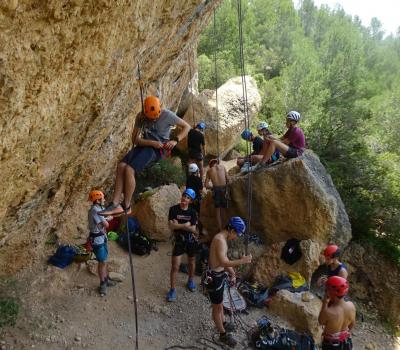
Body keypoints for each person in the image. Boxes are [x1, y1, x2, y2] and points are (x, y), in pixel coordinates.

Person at [100, 96, 191, 216]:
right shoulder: (141, 117)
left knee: (129, 169)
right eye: (151, 118)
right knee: (121, 166)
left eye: (156, 118)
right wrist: (151, 142)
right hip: (146, 145)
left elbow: (187, 127)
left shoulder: (167, 115)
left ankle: (126, 206)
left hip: (158, 150)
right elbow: (135, 139)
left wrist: (175, 140)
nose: (154, 120)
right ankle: (114, 204)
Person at [205, 217, 252, 347]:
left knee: (220, 305)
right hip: (214, 278)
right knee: (216, 307)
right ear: (231, 230)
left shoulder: (223, 239)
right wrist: (242, 261)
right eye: (236, 233)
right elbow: (224, 262)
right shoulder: (220, 240)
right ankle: (222, 334)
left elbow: (224, 260)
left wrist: (232, 273)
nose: (236, 237)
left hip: (218, 275)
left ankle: (223, 323)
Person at [166, 188, 198, 302]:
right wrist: (185, 225)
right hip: (179, 240)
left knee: (192, 261)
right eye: (184, 196)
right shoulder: (173, 209)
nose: (185, 198)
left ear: (191, 201)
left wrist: (178, 224)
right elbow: (171, 226)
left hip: (190, 240)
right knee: (175, 266)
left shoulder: (192, 212)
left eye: (188, 197)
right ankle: (172, 289)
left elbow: (193, 229)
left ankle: (190, 280)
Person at [87, 190, 117, 296]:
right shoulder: (95, 210)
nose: (104, 200)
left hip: (101, 237)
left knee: (103, 260)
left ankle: (105, 279)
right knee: (102, 261)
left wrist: (106, 219)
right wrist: (106, 219)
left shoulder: (100, 208)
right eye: (102, 198)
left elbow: (109, 217)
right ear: (98, 200)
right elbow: (106, 223)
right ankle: (102, 284)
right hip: (97, 240)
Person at [318, 276, 355, 349]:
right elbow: (352, 324)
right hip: (346, 342)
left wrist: (325, 303)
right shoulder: (351, 306)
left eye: (326, 290)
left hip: (331, 345)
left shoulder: (329, 311)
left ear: (329, 292)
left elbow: (321, 321)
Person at [204, 159, 229, 231]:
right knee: (224, 210)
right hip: (224, 189)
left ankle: (220, 229)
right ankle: (226, 228)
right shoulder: (222, 167)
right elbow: (228, 179)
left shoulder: (209, 171)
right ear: (217, 163)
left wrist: (213, 187)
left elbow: (206, 185)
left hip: (216, 190)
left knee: (218, 211)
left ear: (210, 165)